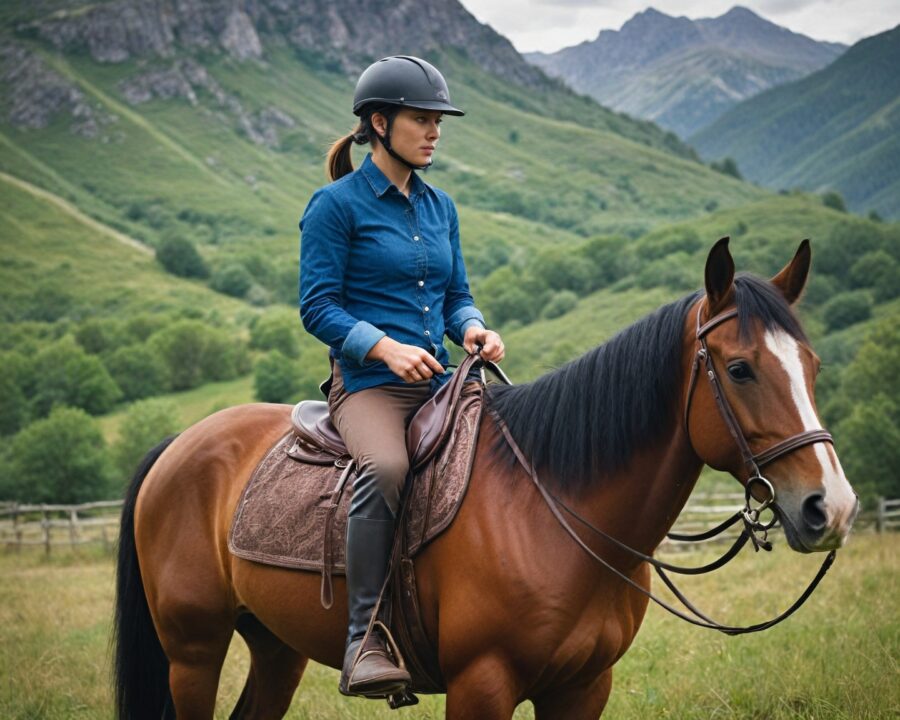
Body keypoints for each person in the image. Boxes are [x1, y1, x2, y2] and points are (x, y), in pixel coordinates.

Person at [298, 55, 504, 698]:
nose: (435, 132)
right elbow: (318, 306)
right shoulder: (335, 206)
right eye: (423, 120)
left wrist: (472, 328)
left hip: (440, 379)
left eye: (439, 121)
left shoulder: (441, 207)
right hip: (369, 387)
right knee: (386, 468)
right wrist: (383, 349)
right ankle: (365, 638)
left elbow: (455, 297)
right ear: (379, 124)